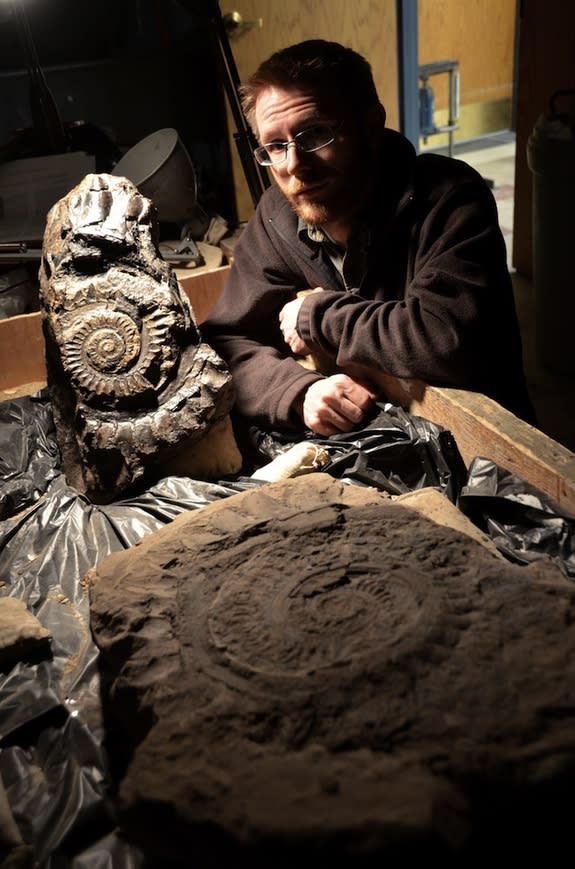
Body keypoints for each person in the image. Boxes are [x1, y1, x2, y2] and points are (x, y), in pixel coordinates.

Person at [202, 39, 535, 438]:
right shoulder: (277, 214)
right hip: (371, 447)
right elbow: (227, 341)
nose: (295, 166)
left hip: (480, 453)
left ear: (371, 124)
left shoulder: (449, 198)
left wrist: (318, 316)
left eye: (315, 135)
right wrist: (299, 393)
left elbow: (445, 338)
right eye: (275, 146)